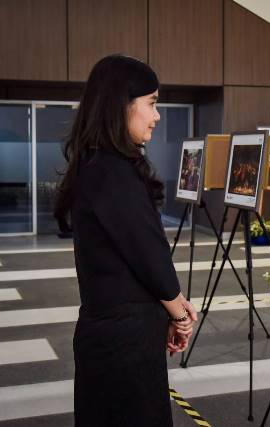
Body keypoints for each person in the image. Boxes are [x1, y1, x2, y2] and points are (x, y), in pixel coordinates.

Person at [54, 54, 198, 427]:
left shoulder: (97, 166)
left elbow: (137, 255)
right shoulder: (113, 173)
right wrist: (180, 315)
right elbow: (150, 256)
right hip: (124, 344)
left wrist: (175, 306)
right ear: (122, 105)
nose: (157, 115)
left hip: (112, 335)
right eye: (151, 103)